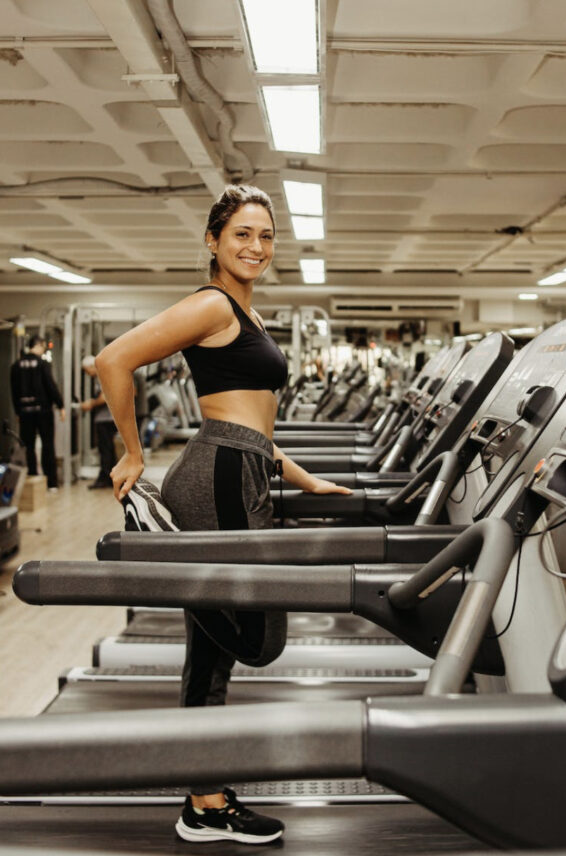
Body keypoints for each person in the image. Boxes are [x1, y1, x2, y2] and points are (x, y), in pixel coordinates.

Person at [95, 184, 352, 845]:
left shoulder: (248, 314)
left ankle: (203, 798)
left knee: (215, 652)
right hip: (217, 477)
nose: (256, 246)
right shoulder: (211, 305)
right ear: (213, 241)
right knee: (251, 639)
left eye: (265, 236)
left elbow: (255, 422)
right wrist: (130, 453)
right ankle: (200, 791)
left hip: (246, 468)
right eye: (242, 233)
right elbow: (113, 360)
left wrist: (300, 476)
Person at [10, 334, 65, 492]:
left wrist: (17, 412)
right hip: (43, 411)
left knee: (28, 446)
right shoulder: (42, 364)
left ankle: (33, 478)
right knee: (48, 445)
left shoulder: (16, 365)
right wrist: (60, 405)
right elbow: (50, 385)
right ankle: (51, 483)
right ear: (39, 345)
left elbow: (13, 391)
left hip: (25, 411)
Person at [81, 356, 117, 490]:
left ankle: (105, 477)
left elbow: (105, 396)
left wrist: (91, 404)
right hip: (108, 417)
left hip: (105, 418)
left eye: (86, 371)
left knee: (105, 448)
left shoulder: (102, 375)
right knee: (108, 448)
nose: (87, 374)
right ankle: (110, 476)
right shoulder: (103, 374)